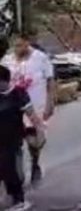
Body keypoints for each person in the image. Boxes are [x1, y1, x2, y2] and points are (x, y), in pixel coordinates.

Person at [1, 34, 53, 187]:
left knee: (33, 142)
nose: (17, 49)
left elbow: (50, 80)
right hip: (13, 108)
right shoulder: (6, 60)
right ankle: (16, 174)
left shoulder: (41, 58)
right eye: (15, 46)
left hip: (35, 105)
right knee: (13, 143)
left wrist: (50, 102)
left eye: (20, 45)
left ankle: (35, 163)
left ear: (27, 43)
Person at [0, 64, 43, 210]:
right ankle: (9, 197)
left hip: (12, 139)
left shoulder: (18, 93)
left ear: (4, 81)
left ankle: (19, 201)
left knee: (12, 170)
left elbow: (32, 115)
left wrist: (40, 132)